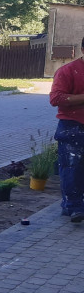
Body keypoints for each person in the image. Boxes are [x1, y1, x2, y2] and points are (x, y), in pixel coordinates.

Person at [49, 56, 84, 223]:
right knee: (72, 168)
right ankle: (73, 207)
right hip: (72, 126)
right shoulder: (68, 71)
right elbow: (56, 98)